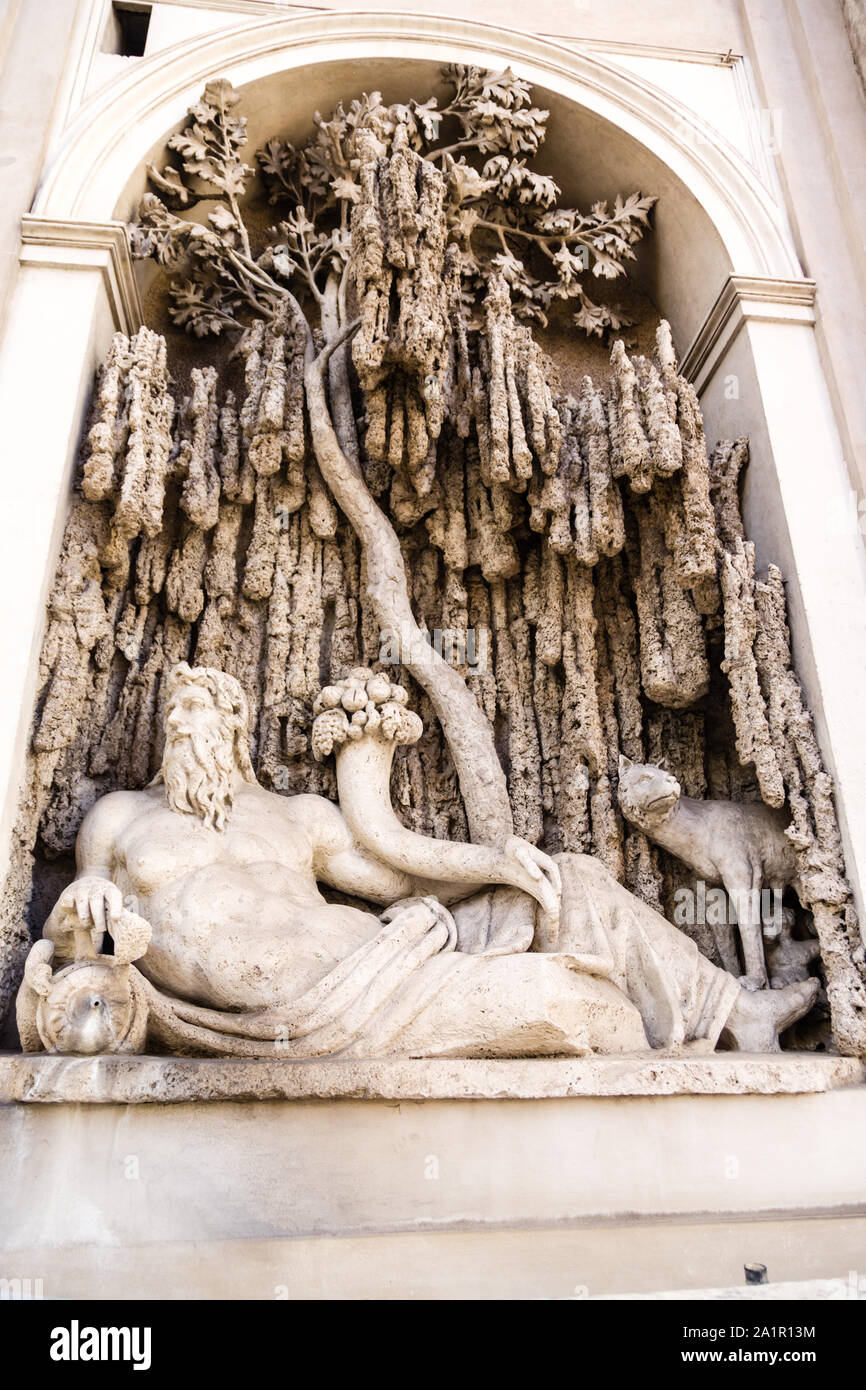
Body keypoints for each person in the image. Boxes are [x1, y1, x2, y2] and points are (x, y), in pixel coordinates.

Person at [33, 664, 817, 1058]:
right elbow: (76, 935)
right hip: (318, 1011)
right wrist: (85, 912)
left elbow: (399, 874)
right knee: (577, 1003)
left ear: (233, 727)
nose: (178, 719)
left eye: (196, 706)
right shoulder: (122, 818)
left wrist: (501, 861)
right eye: (171, 709)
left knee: (570, 877)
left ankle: (735, 1012)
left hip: (384, 951)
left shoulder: (295, 816)